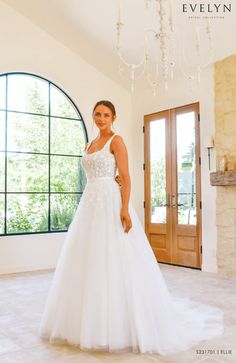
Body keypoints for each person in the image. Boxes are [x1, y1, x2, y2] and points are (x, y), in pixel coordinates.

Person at [38, 100, 224, 355]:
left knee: (116, 256)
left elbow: (125, 177)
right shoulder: (89, 144)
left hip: (111, 201)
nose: (101, 118)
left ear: (114, 116)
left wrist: (124, 208)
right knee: (88, 257)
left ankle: (123, 321)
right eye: (97, 114)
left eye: (106, 115)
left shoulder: (117, 141)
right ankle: (86, 321)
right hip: (90, 201)